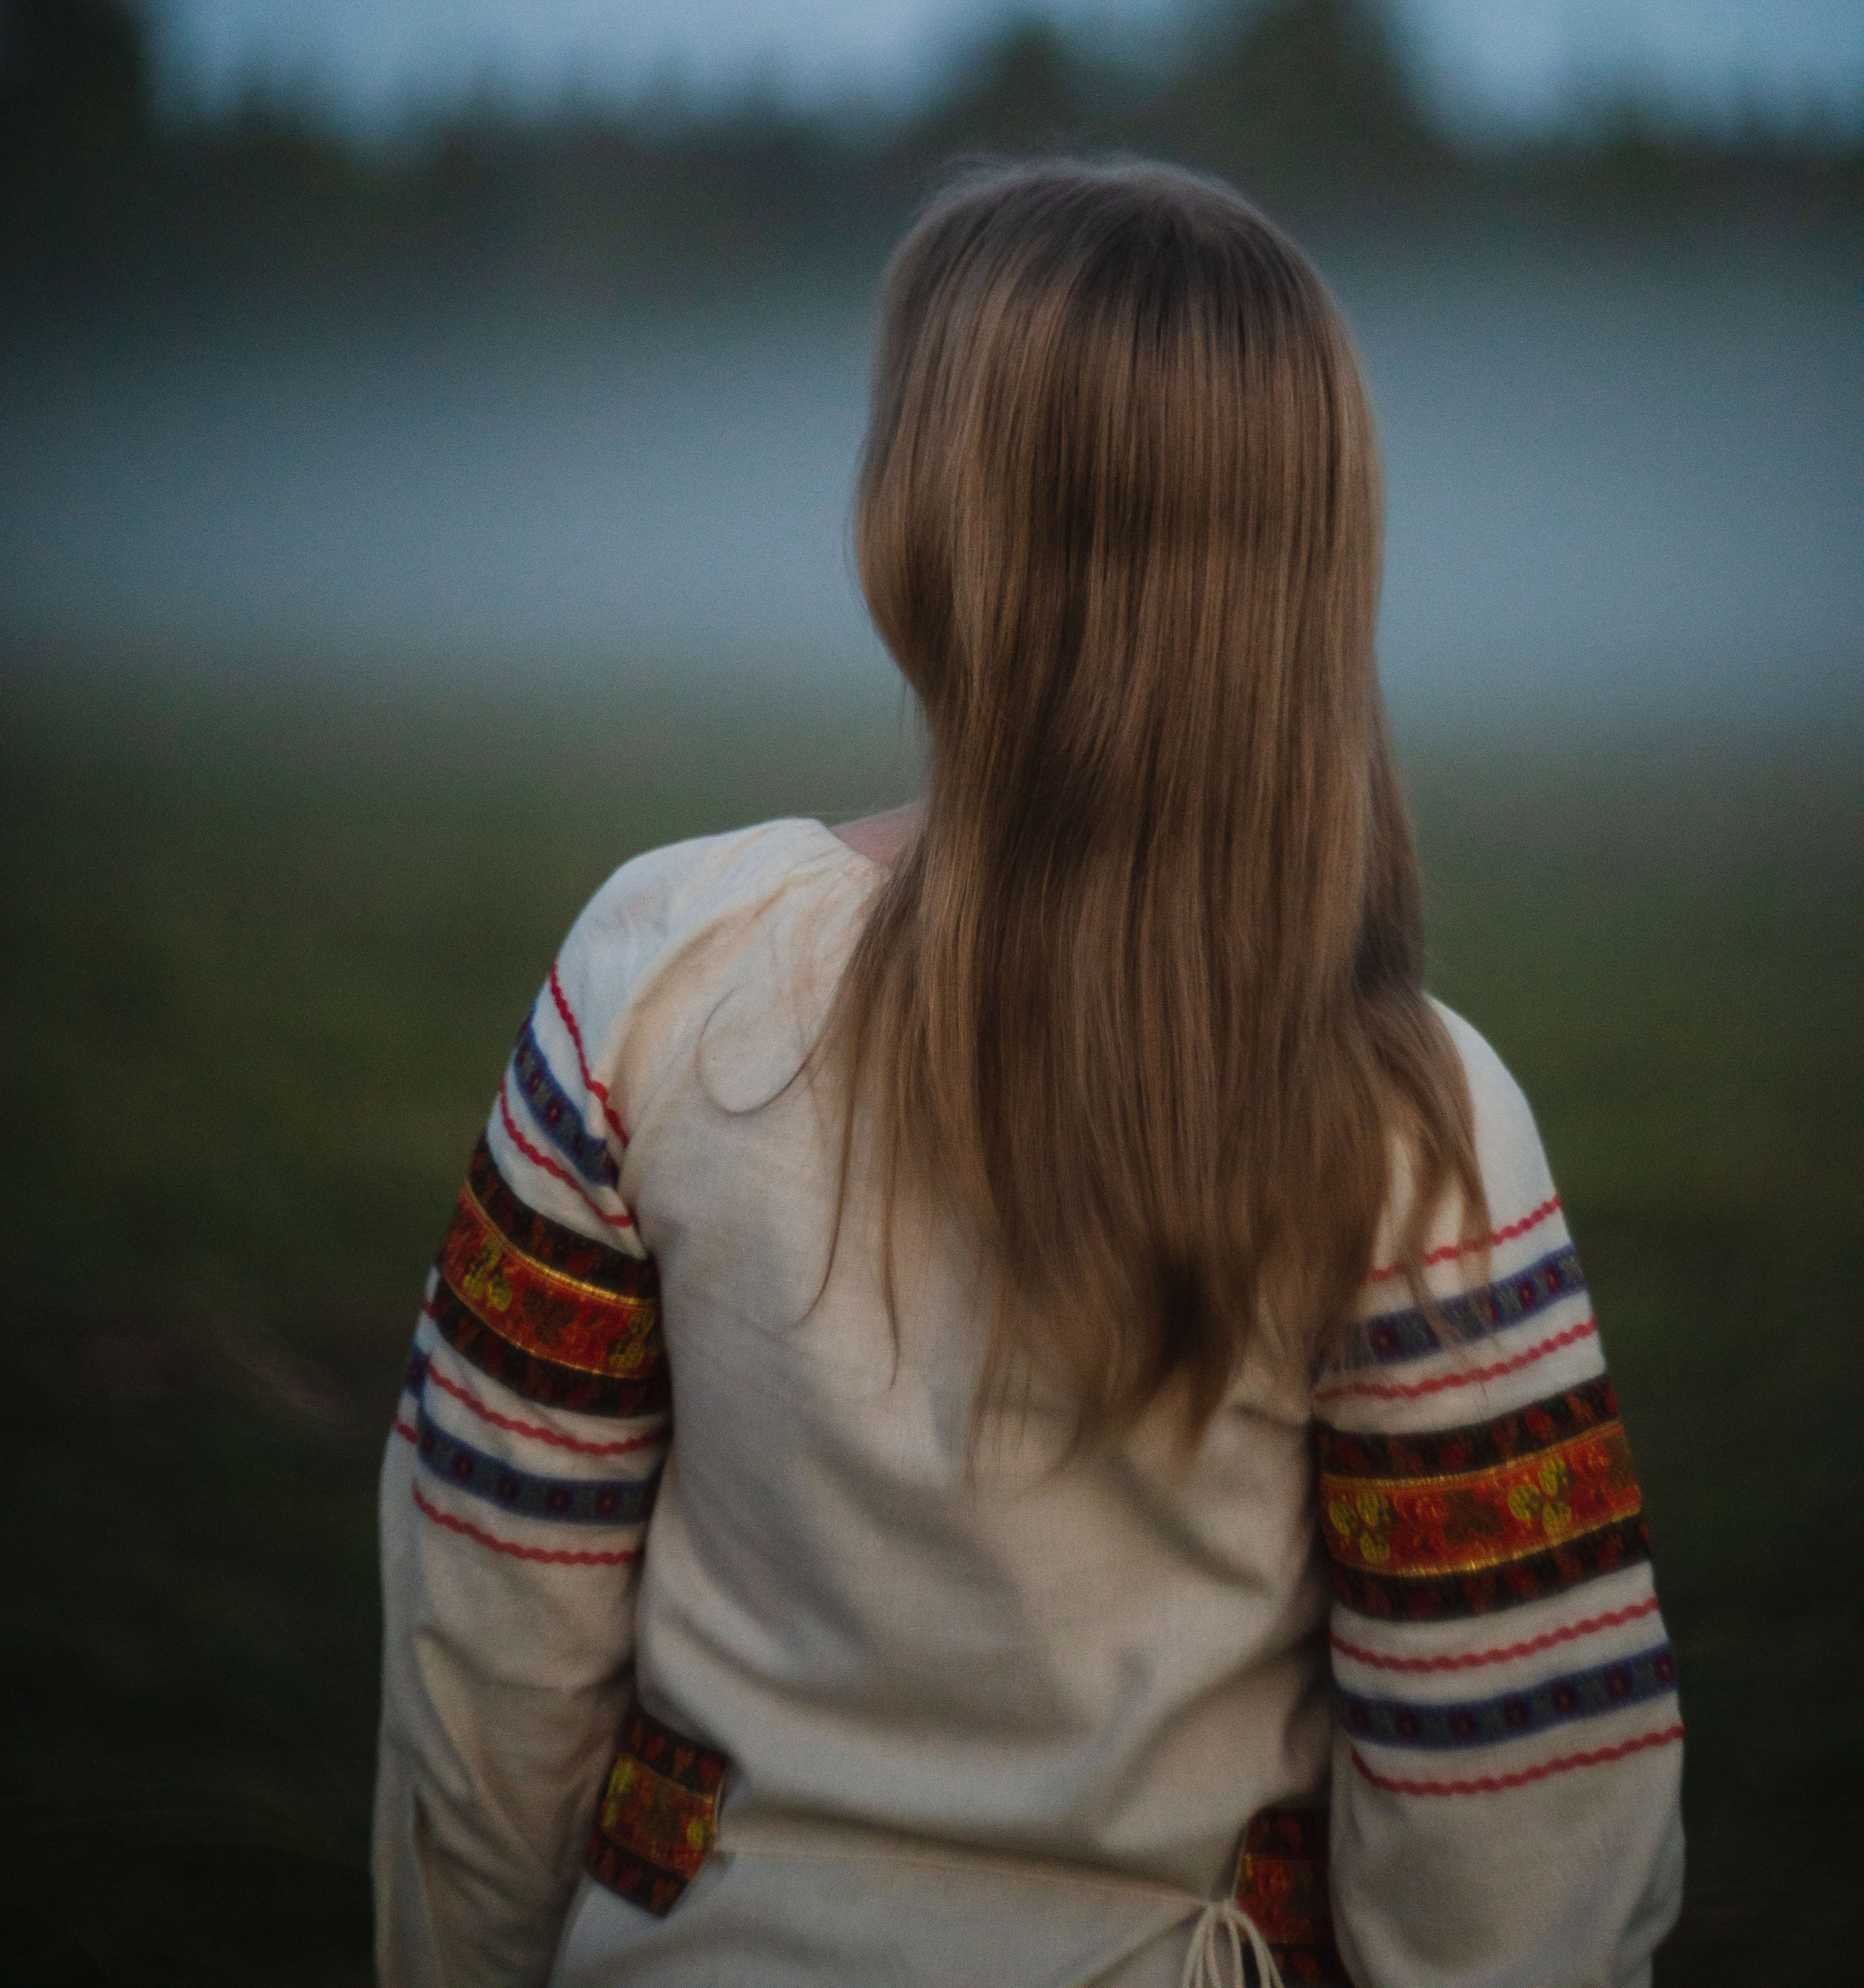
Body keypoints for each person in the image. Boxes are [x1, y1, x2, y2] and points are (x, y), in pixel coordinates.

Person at [374, 160, 1683, 1988]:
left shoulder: (659, 974)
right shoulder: (1419, 1129)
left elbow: (488, 1656)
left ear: (927, 522)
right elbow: (1515, 1832)